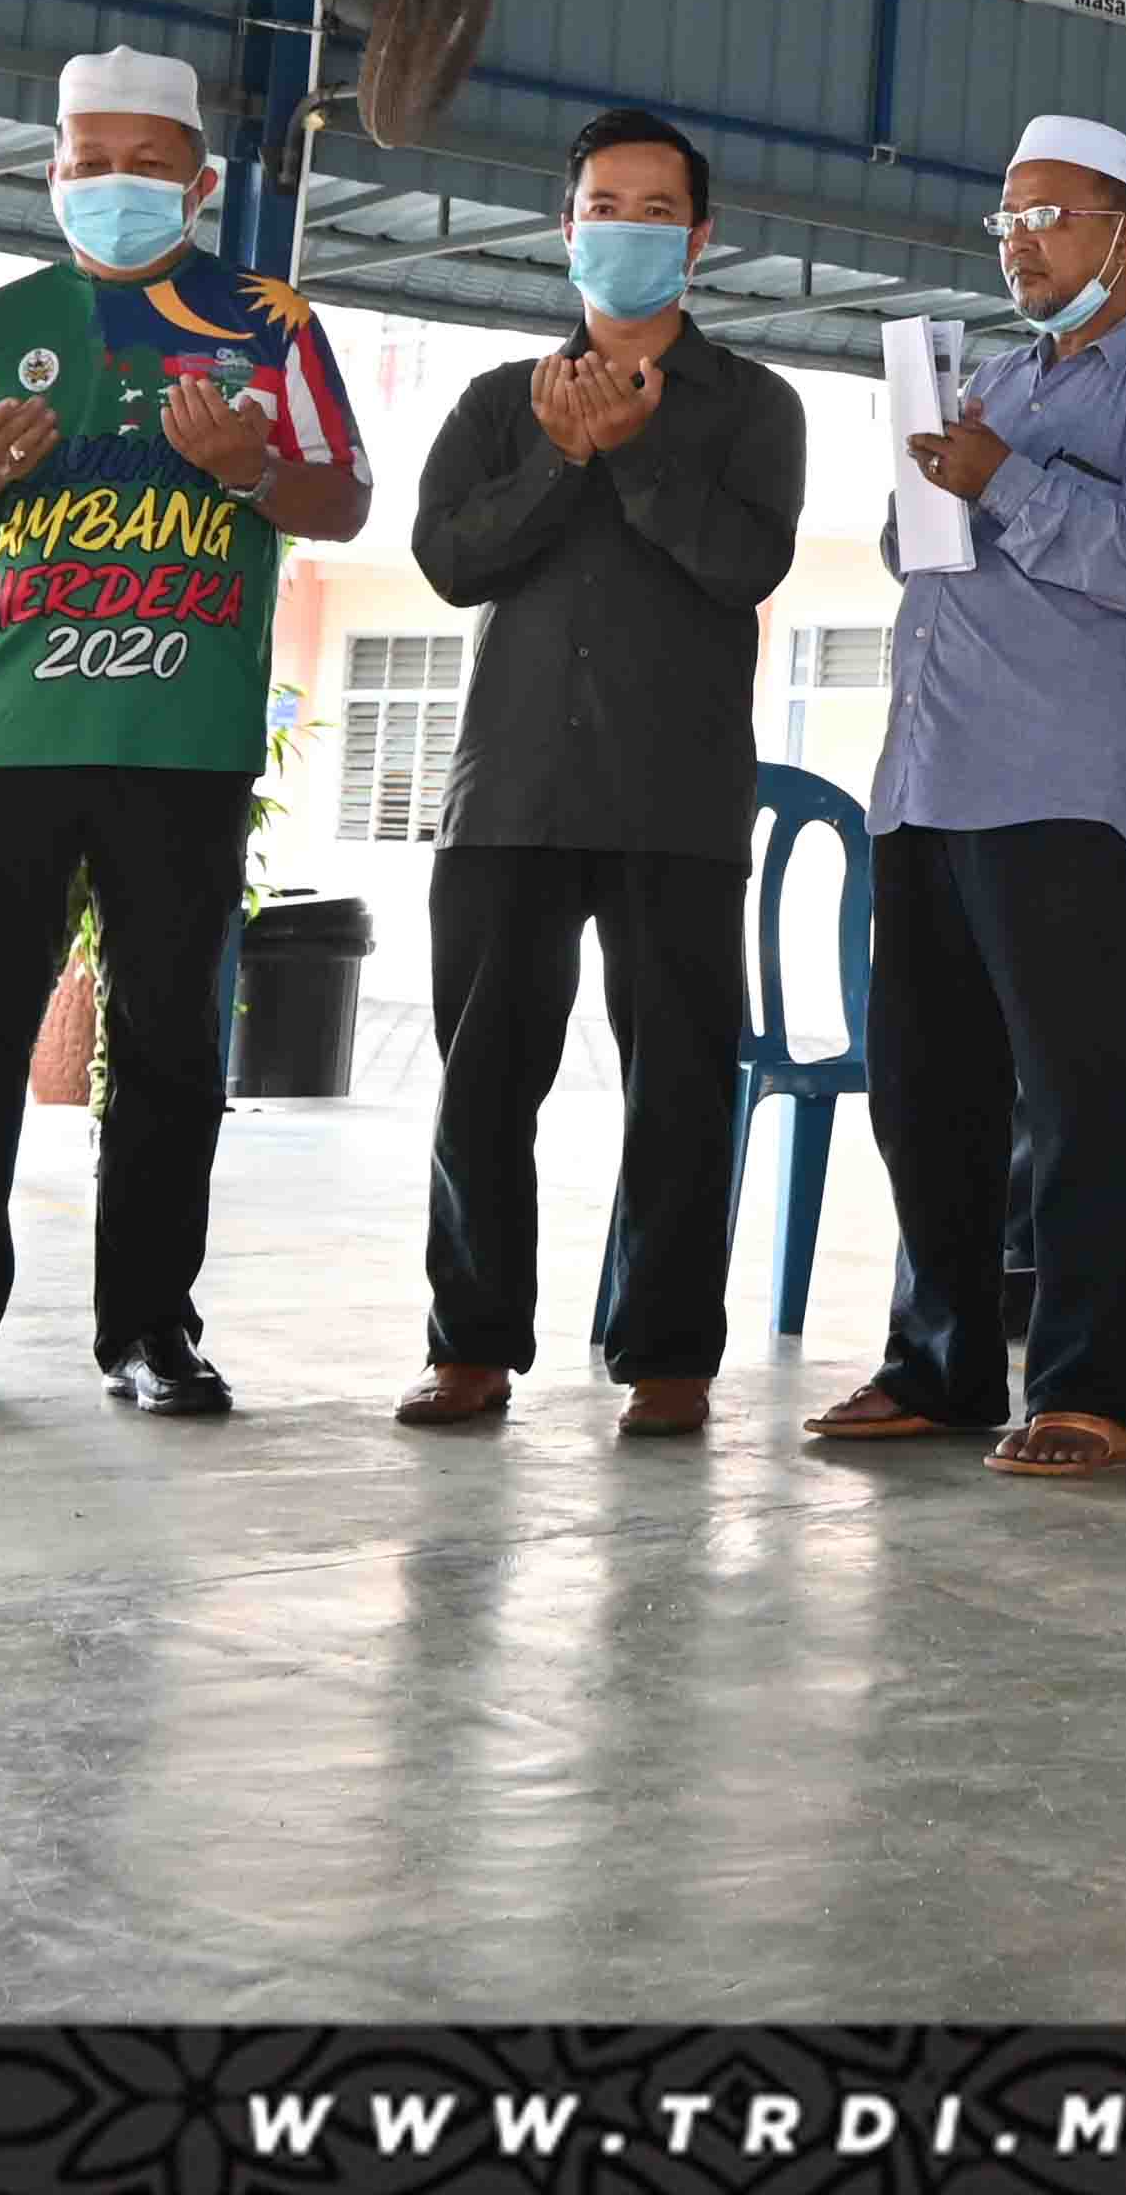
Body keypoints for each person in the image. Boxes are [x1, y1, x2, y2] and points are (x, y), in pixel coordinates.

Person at [0, 48, 373, 1418]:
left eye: (145, 165)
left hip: (181, 742)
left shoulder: (270, 323)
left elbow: (345, 506)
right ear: (53, 174)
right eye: (89, 163)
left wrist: (249, 471)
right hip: (2, 737)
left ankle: (151, 1333)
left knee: (174, 1045)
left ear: (200, 180)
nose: (115, 187)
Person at [817, 114, 1126, 1480]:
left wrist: (1004, 482)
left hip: (1059, 783)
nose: (1019, 242)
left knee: (1078, 1101)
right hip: (929, 777)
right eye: (1007, 219)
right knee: (926, 1096)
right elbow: (916, 550)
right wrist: (926, 475)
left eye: (1048, 216)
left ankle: (1087, 1392)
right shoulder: (996, 379)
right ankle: (937, 1368)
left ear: (1123, 229)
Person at [393, 108, 807, 1438]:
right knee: (482, 1080)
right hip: (507, 797)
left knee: (681, 1083)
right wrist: (562, 459)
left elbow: (747, 565)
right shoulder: (495, 405)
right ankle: (470, 1348)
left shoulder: (754, 406)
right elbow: (454, 563)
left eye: (652, 209)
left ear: (699, 237)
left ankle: (668, 1355)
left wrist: (631, 456)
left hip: (676, 804)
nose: (624, 230)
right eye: (601, 207)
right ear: (565, 229)